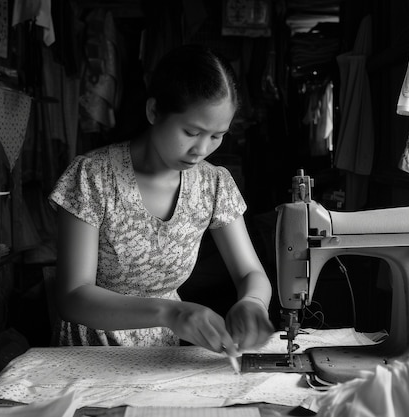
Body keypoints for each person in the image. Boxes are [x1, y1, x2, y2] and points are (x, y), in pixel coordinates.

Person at [48, 44, 274, 357]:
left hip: (163, 357)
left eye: (217, 135)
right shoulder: (92, 177)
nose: (202, 149)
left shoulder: (214, 184)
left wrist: (253, 303)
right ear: (154, 111)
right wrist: (169, 312)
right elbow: (72, 296)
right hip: (90, 357)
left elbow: (251, 274)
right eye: (191, 131)